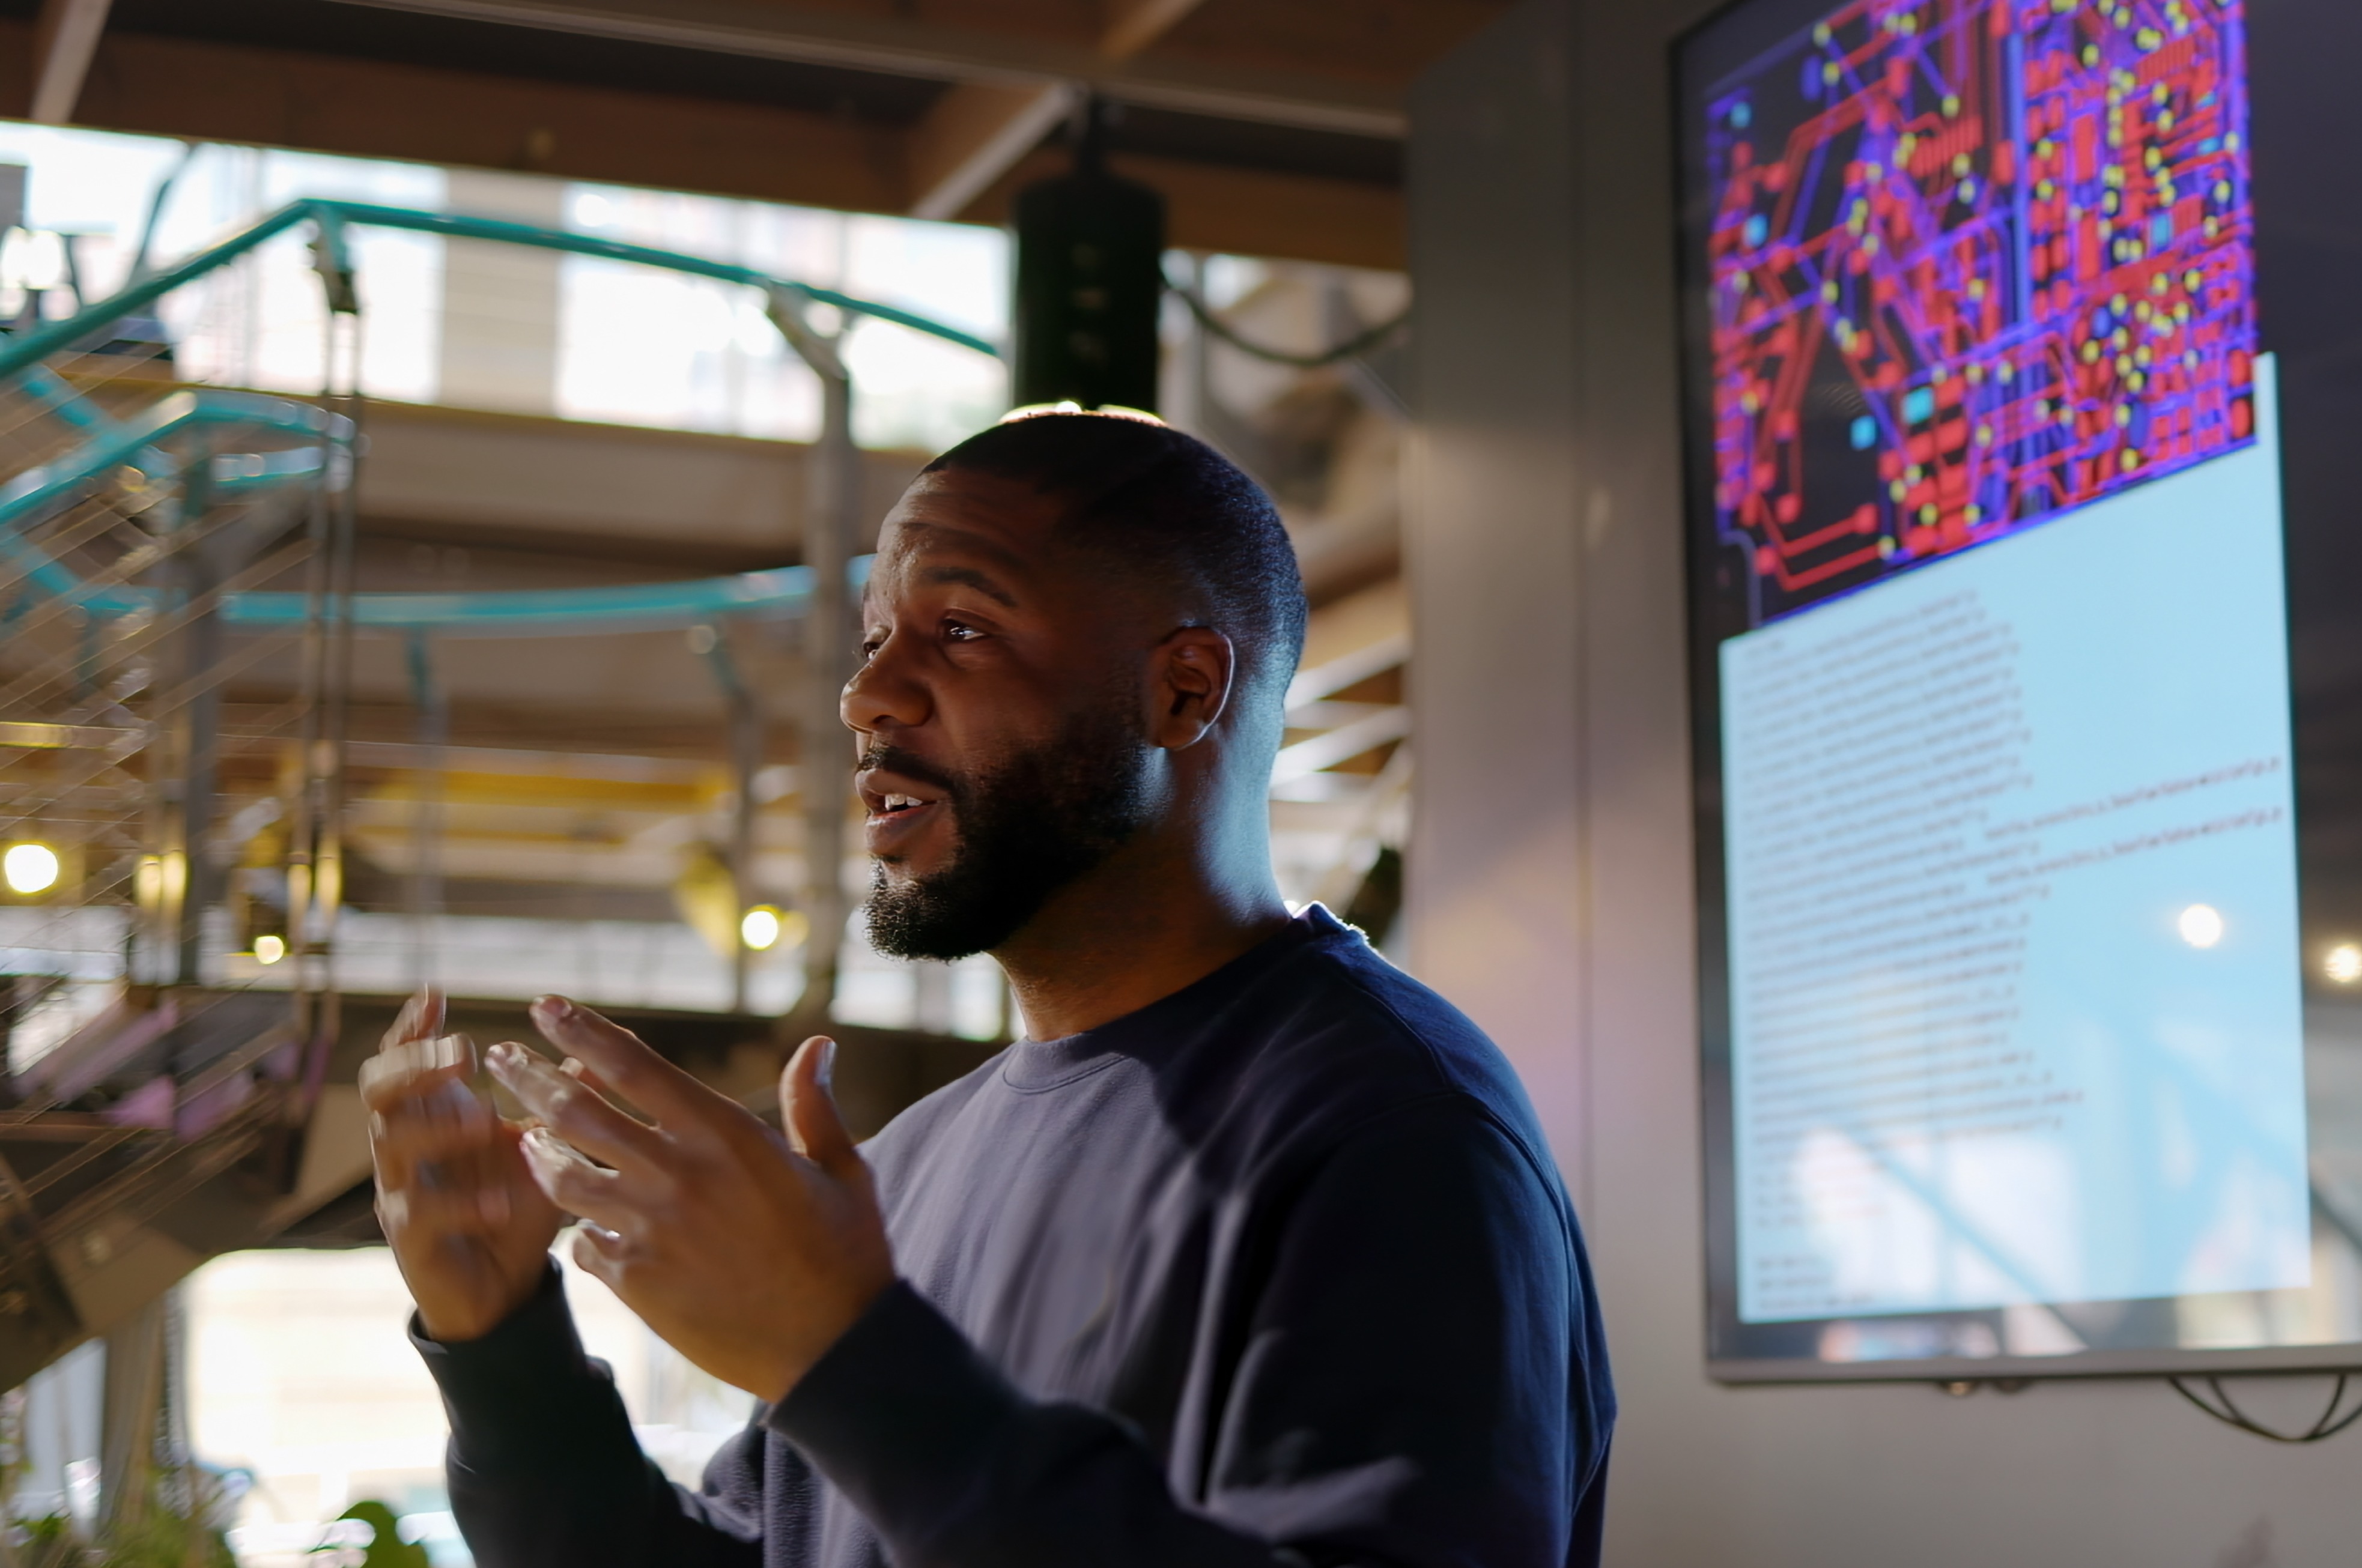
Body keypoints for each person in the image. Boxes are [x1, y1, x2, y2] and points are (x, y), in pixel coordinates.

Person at [358, 410, 1612, 1567]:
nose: (867, 696)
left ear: (1182, 690)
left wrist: (846, 1361)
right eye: (872, 641)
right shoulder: (906, 1167)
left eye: (960, 629)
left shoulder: (1393, 1129)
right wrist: (505, 1348)